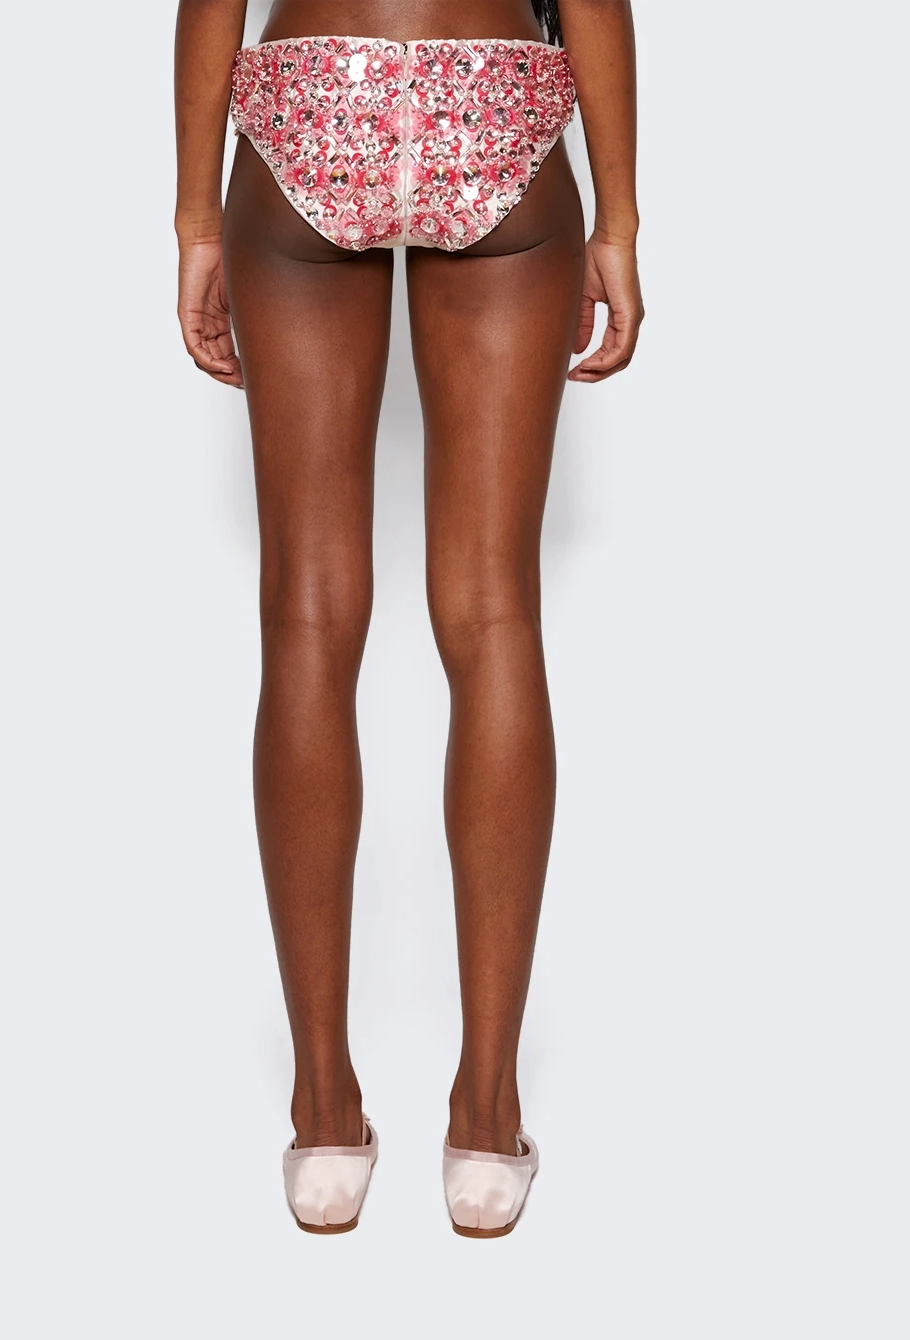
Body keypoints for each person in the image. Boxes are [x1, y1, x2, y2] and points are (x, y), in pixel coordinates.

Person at [174, 0, 643, 1236]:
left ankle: (324, 1123)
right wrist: (619, 218)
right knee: (492, 613)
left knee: (306, 616)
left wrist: (194, 217)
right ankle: (485, 1125)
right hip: (493, 92)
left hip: (310, 90)